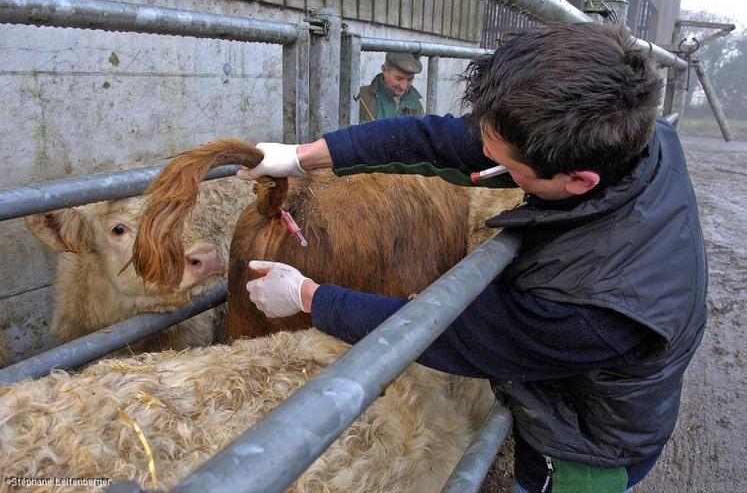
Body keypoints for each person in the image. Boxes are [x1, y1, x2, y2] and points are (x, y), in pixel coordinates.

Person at [236, 24, 707, 493]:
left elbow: (458, 332)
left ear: (577, 181)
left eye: (502, 159)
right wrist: (305, 156)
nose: (480, 155)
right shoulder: (636, 136)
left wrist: (309, 296)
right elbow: (442, 141)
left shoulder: (593, 310)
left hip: (583, 449)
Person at [357, 51, 424, 123]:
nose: (403, 87)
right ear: (384, 70)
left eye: (409, 80)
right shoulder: (360, 97)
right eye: (399, 79)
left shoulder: (416, 105)